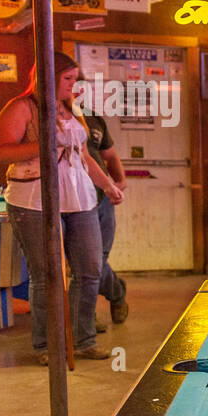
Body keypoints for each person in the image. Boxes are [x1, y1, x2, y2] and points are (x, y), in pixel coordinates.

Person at [0, 52, 125, 364]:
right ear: (48, 77)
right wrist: (46, 145)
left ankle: (82, 340)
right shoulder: (21, 107)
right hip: (34, 201)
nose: (73, 84)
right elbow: (0, 152)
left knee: (90, 270)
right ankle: (47, 346)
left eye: (74, 78)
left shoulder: (73, 108)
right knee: (47, 275)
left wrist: (108, 185)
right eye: (68, 79)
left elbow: (84, 155)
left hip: (80, 199)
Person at [83, 105, 129, 327]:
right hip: (74, 200)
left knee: (96, 260)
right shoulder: (54, 117)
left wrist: (119, 181)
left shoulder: (93, 118)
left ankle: (116, 294)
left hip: (101, 198)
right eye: (70, 82)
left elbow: (109, 155)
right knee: (85, 262)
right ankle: (86, 320)